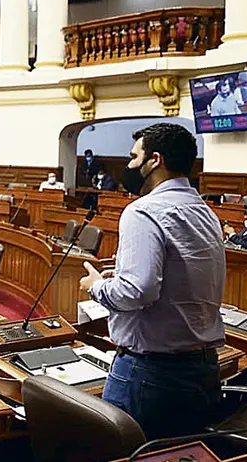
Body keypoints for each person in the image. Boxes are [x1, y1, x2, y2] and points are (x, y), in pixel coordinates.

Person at [79, 123, 225, 440]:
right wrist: (121, 278)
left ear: (154, 160)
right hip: (202, 370)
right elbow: (181, 278)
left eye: (134, 157)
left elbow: (138, 291)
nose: (129, 165)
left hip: (150, 374)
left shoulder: (142, 211)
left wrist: (97, 287)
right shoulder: (206, 212)